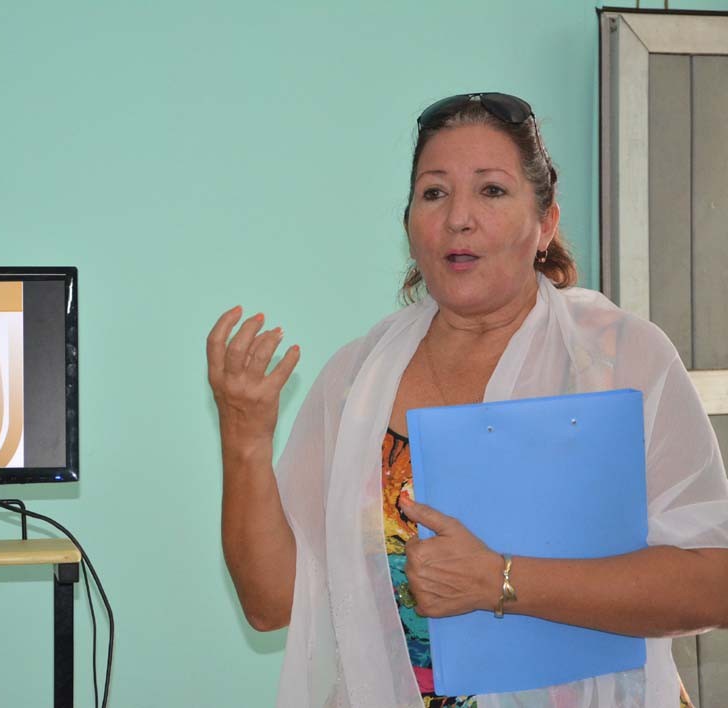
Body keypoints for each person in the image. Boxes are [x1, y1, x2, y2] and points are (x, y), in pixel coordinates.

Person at [206, 93, 728, 708]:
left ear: (547, 223)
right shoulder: (357, 379)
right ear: (409, 226)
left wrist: (500, 581)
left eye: (492, 191)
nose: (458, 217)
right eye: (434, 193)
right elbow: (271, 604)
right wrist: (245, 436)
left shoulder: (617, 360)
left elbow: (712, 583)